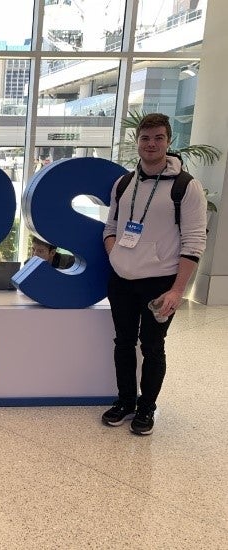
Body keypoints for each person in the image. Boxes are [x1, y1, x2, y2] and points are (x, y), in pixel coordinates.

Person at [101, 113, 207, 435]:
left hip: (160, 283)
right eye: (145, 138)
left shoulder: (186, 187)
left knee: (152, 346)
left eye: (158, 138)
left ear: (168, 141)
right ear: (137, 142)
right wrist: (116, 255)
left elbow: (194, 241)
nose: (151, 144)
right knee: (123, 343)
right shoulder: (124, 183)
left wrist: (177, 290)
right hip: (122, 280)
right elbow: (111, 227)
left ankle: (147, 409)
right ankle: (125, 402)